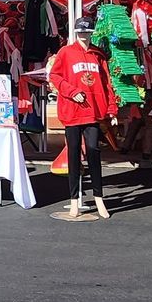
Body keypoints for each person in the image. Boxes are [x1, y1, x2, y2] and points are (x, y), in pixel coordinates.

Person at [49, 34, 117, 221]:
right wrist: (71, 92)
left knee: (94, 151)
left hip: (94, 111)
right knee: (73, 155)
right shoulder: (66, 52)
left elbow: (107, 83)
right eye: (81, 33)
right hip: (72, 112)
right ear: (76, 33)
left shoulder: (98, 54)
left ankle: (99, 198)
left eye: (87, 32)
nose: (84, 36)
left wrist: (111, 108)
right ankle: (73, 200)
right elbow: (54, 75)